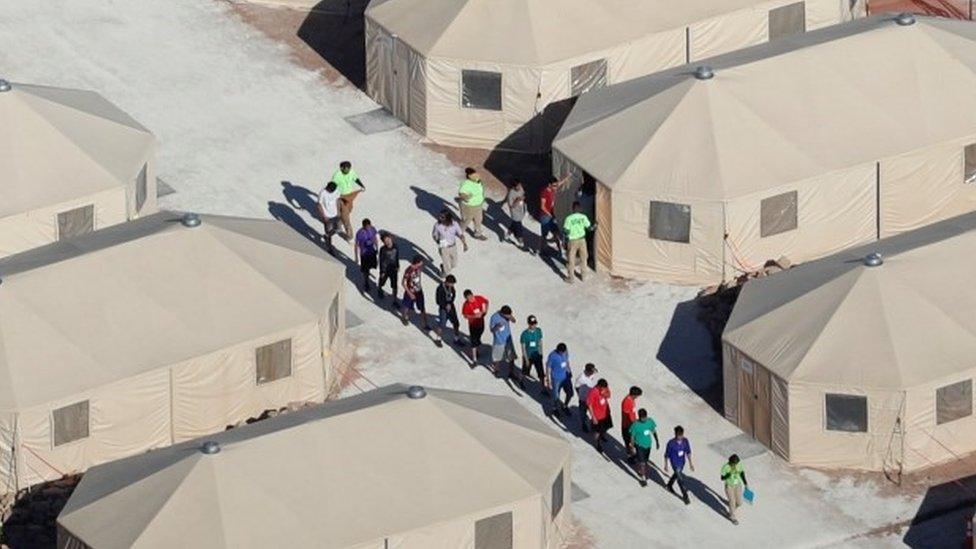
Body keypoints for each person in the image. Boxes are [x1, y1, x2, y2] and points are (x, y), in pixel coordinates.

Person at [332, 161, 366, 238]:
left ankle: (338, 223)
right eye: (346, 169)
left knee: (349, 210)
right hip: (341, 197)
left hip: (350, 197)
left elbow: (356, 178)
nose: (348, 170)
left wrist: (361, 185)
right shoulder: (337, 175)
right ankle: (349, 235)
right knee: (346, 217)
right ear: (341, 168)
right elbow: (333, 186)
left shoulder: (351, 172)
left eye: (349, 168)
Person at [628, 409, 660, 487]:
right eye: (642, 418)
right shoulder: (635, 424)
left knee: (645, 461)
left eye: (645, 417)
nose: (644, 419)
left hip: (648, 445)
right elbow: (632, 436)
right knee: (642, 463)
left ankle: (639, 469)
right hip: (639, 445)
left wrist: (657, 441)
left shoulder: (650, 421)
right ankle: (643, 479)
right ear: (639, 417)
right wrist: (632, 446)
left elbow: (654, 431)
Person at [563, 201, 593, 284]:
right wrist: (595, 225)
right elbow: (590, 228)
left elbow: (566, 231)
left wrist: (565, 241)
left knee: (571, 259)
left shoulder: (569, 218)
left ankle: (571, 278)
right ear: (580, 209)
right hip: (582, 240)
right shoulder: (583, 217)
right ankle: (583, 276)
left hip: (572, 241)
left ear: (573, 209)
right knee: (584, 258)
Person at [538, 176, 569, 255]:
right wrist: (549, 214)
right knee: (544, 235)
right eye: (554, 186)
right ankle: (542, 250)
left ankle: (559, 250)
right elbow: (542, 206)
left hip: (551, 215)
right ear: (549, 185)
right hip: (545, 216)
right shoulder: (544, 193)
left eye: (555, 185)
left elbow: (559, 184)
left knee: (556, 232)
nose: (556, 187)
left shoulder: (553, 189)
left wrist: (567, 177)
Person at [664, 426, 695, 505]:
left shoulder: (685, 441)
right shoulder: (671, 443)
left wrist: (691, 463)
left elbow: (688, 452)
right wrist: (666, 465)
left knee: (677, 475)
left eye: (681, 435)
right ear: (675, 434)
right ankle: (685, 496)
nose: (680, 437)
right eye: (678, 435)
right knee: (680, 480)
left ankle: (669, 485)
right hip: (674, 463)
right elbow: (666, 455)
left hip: (682, 462)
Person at [431, 209, 467, 276]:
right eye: (440, 216)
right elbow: (434, 235)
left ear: (447, 217)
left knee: (454, 264)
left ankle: (444, 267)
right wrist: (437, 241)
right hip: (443, 247)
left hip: (453, 246)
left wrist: (464, 244)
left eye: (442, 217)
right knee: (447, 268)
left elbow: (460, 234)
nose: (440, 218)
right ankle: (443, 274)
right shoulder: (437, 225)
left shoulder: (454, 224)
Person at [489, 305, 518, 382]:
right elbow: (492, 330)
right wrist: (497, 327)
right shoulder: (494, 317)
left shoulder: (508, 315)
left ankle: (511, 372)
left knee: (511, 357)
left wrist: (510, 317)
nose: (508, 316)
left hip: (508, 340)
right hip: (499, 340)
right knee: (497, 358)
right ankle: (496, 371)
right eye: (507, 315)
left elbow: (514, 321)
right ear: (502, 313)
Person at [457, 167, 487, 240]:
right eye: (473, 175)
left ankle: (478, 234)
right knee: (466, 221)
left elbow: (481, 186)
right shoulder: (466, 184)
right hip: (468, 206)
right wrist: (466, 197)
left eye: (475, 174)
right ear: (469, 177)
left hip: (478, 205)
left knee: (478, 219)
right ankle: (459, 232)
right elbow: (461, 194)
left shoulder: (478, 180)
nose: (476, 176)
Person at [399, 255, 429, 330]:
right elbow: (403, 283)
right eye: (421, 262)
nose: (422, 263)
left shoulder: (419, 268)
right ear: (417, 262)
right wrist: (409, 293)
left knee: (422, 307)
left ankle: (425, 324)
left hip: (419, 290)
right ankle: (404, 317)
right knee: (407, 306)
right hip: (411, 291)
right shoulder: (409, 270)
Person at [461, 290, 489, 364]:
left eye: (471, 297)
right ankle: (474, 359)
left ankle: (476, 349)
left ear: (472, 295)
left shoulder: (479, 298)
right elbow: (465, 315)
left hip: (481, 323)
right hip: (472, 325)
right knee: (473, 341)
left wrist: (485, 310)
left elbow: (486, 302)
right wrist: (474, 316)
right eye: (468, 298)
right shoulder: (466, 305)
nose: (470, 299)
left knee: (478, 337)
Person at [545, 343, 573, 416]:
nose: (563, 353)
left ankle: (565, 406)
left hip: (566, 376)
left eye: (564, 351)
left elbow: (567, 361)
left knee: (570, 393)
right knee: (556, 396)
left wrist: (569, 370)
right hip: (556, 379)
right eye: (562, 352)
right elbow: (548, 367)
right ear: (558, 351)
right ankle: (555, 409)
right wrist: (548, 380)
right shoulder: (552, 356)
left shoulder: (565, 352)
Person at [721, 454, 749, 525]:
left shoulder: (739, 465)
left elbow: (742, 473)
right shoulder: (725, 467)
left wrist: (745, 483)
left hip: (737, 485)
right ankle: (732, 516)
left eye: (736, 463)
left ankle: (731, 509)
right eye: (734, 464)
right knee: (732, 501)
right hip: (729, 486)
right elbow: (722, 478)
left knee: (739, 503)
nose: (735, 465)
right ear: (731, 463)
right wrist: (728, 475)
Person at [586, 379, 612, 454]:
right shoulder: (593, 392)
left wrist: (604, 394)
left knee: (607, 426)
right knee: (597, 432)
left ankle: (602, 434)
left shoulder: (605, 387)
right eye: (602, 388)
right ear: (598, 386)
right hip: (598, 416)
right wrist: (593, 417)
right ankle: (598, 444)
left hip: (606, 413)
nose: (605, 389)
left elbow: (609, 395)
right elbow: (589, 405)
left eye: (605, 388)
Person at [434, 275, 460, 346]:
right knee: (442, 324)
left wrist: (450, 303)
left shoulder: (451, 287)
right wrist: (446, 305)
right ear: (447, 282)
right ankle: (438, 339)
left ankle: (456, 339)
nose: (452, 285)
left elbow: (454, 294)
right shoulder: (440, 288)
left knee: (456, 323)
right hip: (443, 308)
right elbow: (438, 301)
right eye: (452, 284)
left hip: (451, 307)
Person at [354, 218, 379, 292]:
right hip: (364, 254)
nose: (368, 228)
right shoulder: (359, 233)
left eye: (369, 226)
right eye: (367, 227)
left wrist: (377, 247)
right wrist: (356, 256)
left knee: (373, 265)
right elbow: (356, 245)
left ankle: (368, 275)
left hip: (372, 252)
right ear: (363, 226)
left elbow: (375, 238)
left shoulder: (373, 229)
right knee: (365, 270)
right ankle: (366, 282)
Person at [317, 181, 341, 254]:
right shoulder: (322, 193)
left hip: (335, 214)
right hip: (327, 216)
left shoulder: (336, 191)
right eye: (329, 190)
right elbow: (319, 205)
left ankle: (326, 236)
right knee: (329, 233)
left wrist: (338, 211)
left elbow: (337, 200)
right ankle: (329, 248)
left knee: (338, 229)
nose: (330, 192)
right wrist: (324, 216)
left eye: (331, 191)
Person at [519, 315, 544, 381]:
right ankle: (521, 381)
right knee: (525, 371)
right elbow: (523, 348)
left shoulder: (538, 331)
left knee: (541, 372)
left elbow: (540, 342)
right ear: (528, 324)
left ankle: (543, 388)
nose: (533, 325)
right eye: (532, 324)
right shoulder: (524, 334)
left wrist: (541, 353)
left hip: (537, 355)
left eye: (535, 323)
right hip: (528, 355)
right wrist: (526, 359)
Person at [574, 363, 598, 433]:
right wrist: (581, 395)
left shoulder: (592, 374)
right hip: (583, 399)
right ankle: (583, 425)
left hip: (591, 398)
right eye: (592, 372)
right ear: (588, 371)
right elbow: (576, 387)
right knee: (583, 413)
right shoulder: (581, 378)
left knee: (594, 413)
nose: (593, 373)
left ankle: (593, 425)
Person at [621, 386, 643, 461]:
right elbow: (628, 416)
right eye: (637, 396)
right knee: (629, 442)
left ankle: (632, 454)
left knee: (633, 442)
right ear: (634, 394)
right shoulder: (626, 402)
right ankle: (630, 456)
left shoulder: (631, 400)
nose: (637, 397)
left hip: (632, 424)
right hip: (627, 426)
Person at [377, 232, 399, 302]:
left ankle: (394, 300)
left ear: (391, 238)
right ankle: (379, 289)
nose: (387, 242)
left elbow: (396, 257)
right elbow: (381, 261)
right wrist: (382, 272)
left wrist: (398, 266)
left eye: (388, 240)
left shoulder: (396, 247)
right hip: (385, 270)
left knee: (394, 285)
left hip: (393, 269)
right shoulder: (382, 249)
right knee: (382, 282)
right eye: (385, 241)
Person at [506, 180, 528, 250]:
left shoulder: (521, 188)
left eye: (520, 185)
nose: (519, 187)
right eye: (517, 186)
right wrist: (517, 200)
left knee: (514, 225)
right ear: (513, 187)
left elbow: (523, 194)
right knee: (519, 229)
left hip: (521, 210)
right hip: (515, 213)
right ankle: (521, 244)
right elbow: (511, 206)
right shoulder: (511, 194)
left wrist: (523, 198)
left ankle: (507, 236)